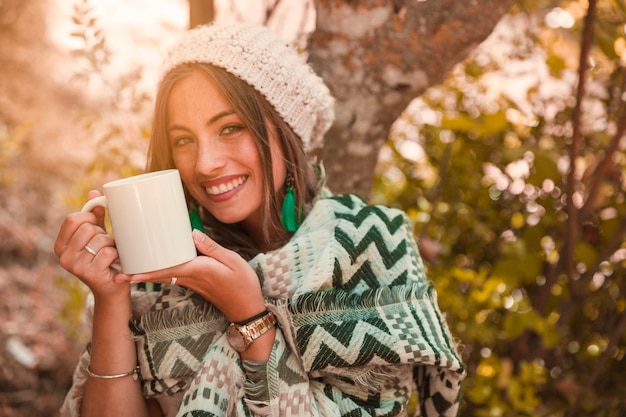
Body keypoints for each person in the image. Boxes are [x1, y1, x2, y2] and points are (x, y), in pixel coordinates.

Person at [54, 22, 465, 417]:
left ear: (286, 128)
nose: (206, 164)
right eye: (183, 140)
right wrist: (110, 299)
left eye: (231, 128)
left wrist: (251, 319)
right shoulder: (153, 268)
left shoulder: (371, 243)